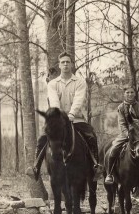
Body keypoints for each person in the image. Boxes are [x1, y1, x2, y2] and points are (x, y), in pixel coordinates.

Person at [30, 52, 102, 180]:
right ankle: (35, 167)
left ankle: (95, 166)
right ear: (59, 65)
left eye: (67, 62)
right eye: (62, 62)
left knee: (91, 136)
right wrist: (60, 117)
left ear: (72, 64)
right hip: (59, 121)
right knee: (42, 137)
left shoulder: (80, 82)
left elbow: (78, 100)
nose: (65, 64)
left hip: (76, 118)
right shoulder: (52, 84)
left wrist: (71, 114)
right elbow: (54, 101)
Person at [104, 86, 139, 186]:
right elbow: (122, 123)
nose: (130, 94)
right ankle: (110, 174)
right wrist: (128, 134)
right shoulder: (121, 107)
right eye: (127, 92)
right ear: (124, 94)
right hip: (125, 134)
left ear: (135, 94)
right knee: (113, 150)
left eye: (132, 92)